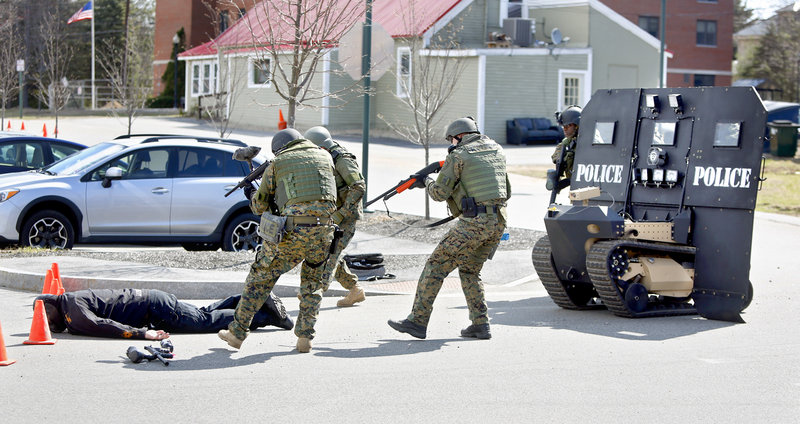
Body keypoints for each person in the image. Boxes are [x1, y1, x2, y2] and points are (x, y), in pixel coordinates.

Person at [387, 117, 510, 340]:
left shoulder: (459, 155)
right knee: (470, 270)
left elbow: (439, 194)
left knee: (436, 266)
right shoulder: (496, 150)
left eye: (452, 140)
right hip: (498, 221)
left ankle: (417, 321)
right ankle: (480, 324)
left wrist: (425, 182)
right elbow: (506, 190)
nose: (451, 144)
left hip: (474, 223)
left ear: (459, 137)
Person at [218, 128, 337, 353]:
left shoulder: (279, 161)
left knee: (259, 278)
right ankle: (305, 337)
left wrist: (250, 195)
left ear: (279, 148)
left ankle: (237, 333)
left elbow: (259, 206)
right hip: (324, 230)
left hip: (293, 232)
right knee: (312, 284)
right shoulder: (325, 156)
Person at [34, 288, 293, 340]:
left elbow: (105, 326)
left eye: (46, 319)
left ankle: (267, 316)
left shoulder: (74, 311)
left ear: (49, 308)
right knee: (202, 314)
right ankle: (247, 300)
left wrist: (142, 334)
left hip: (156, 309)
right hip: (154, 301)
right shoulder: (71, 299)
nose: (48, 325)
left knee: (204, 322)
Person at [303, 126, 366, 307]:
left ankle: (314, 293)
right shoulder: (326, 156)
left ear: (321, 147)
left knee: (330, 253)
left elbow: (359, 187)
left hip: (346, 216)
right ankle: (355, 290)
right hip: (333, 214)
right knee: (333, 252)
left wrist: (342, 214)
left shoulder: (342, 159)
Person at [548, 105, 582, 193]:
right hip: (575, 188)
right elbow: (557, 156)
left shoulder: (589, 141)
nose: (564, 129)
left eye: (568, 126)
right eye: (563, 127)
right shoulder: (566, 143)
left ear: (577, 126)